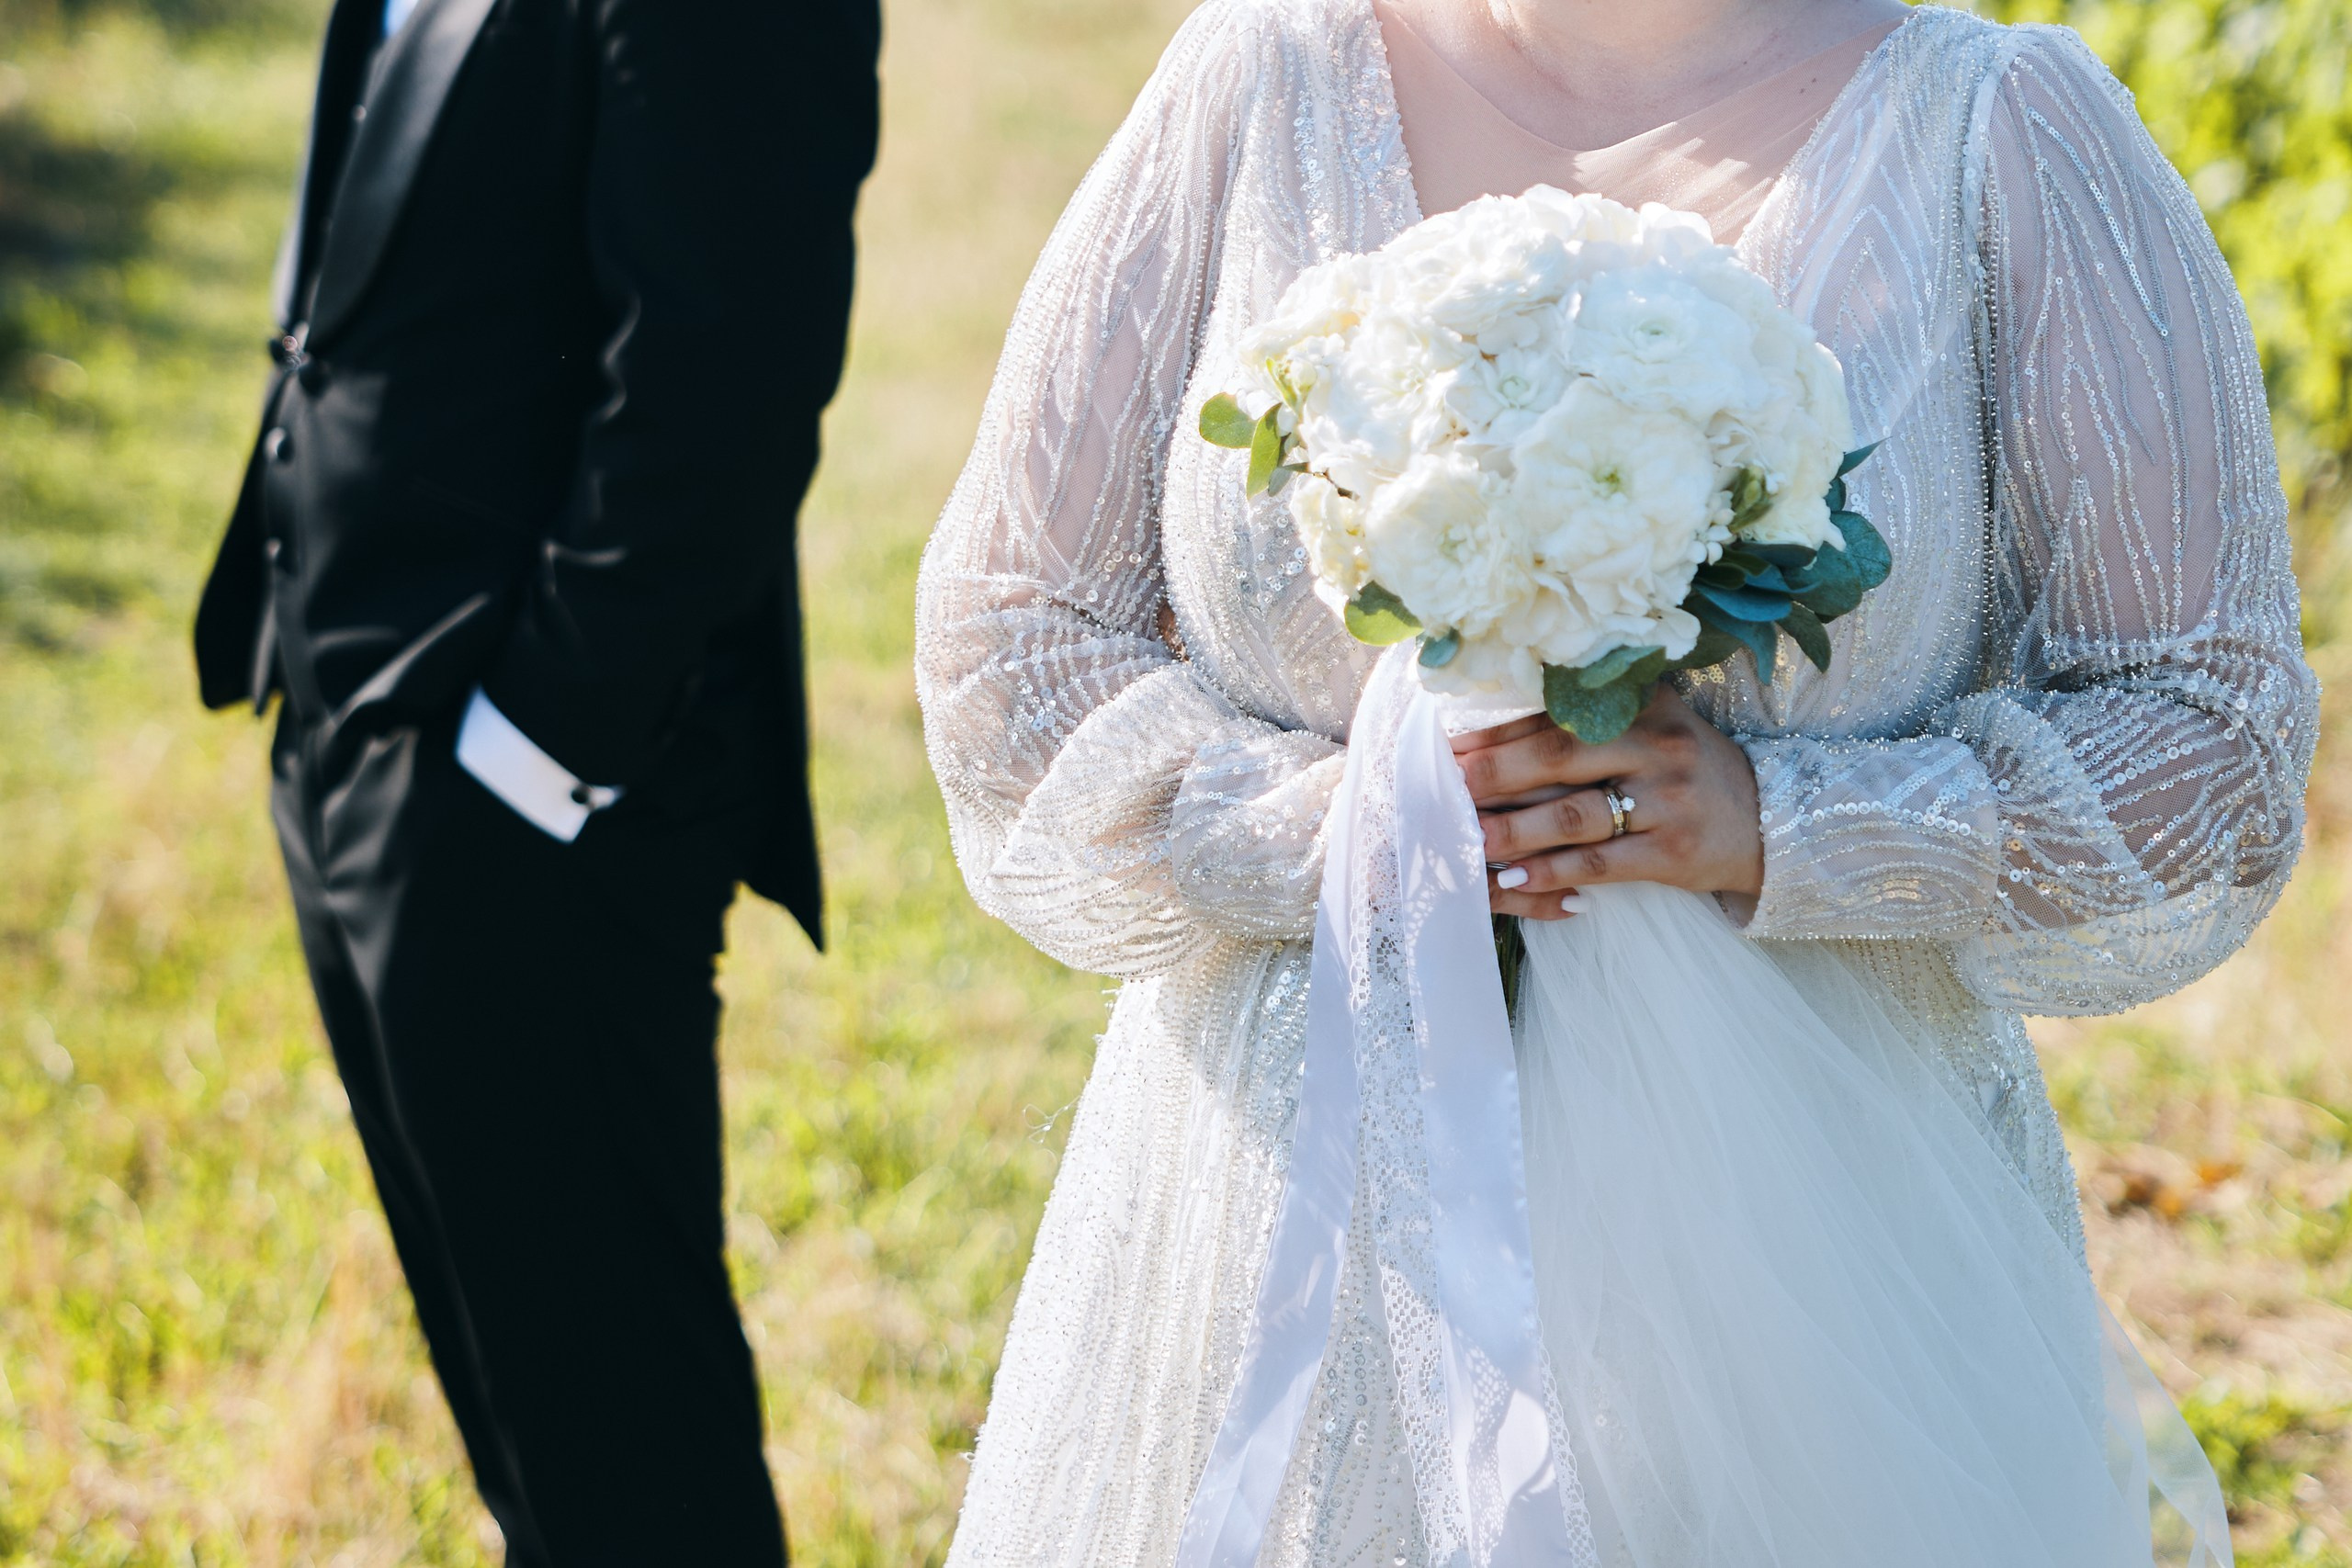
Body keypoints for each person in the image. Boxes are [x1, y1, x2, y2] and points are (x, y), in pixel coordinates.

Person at [913, 0, 2317, 1562]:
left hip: (1816, 1250)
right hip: (1290, 1225)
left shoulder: (2007, 129)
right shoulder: (1266, 79)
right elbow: (1009, 635)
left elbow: (2213, 725)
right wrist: (1336, 831)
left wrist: (1788, 826)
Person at [191, 0, 877, 1560]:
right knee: (516, 1415)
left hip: (532, 791)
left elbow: (728, 370)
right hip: (342, 708)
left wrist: (532, 753)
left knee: (625, 1446)